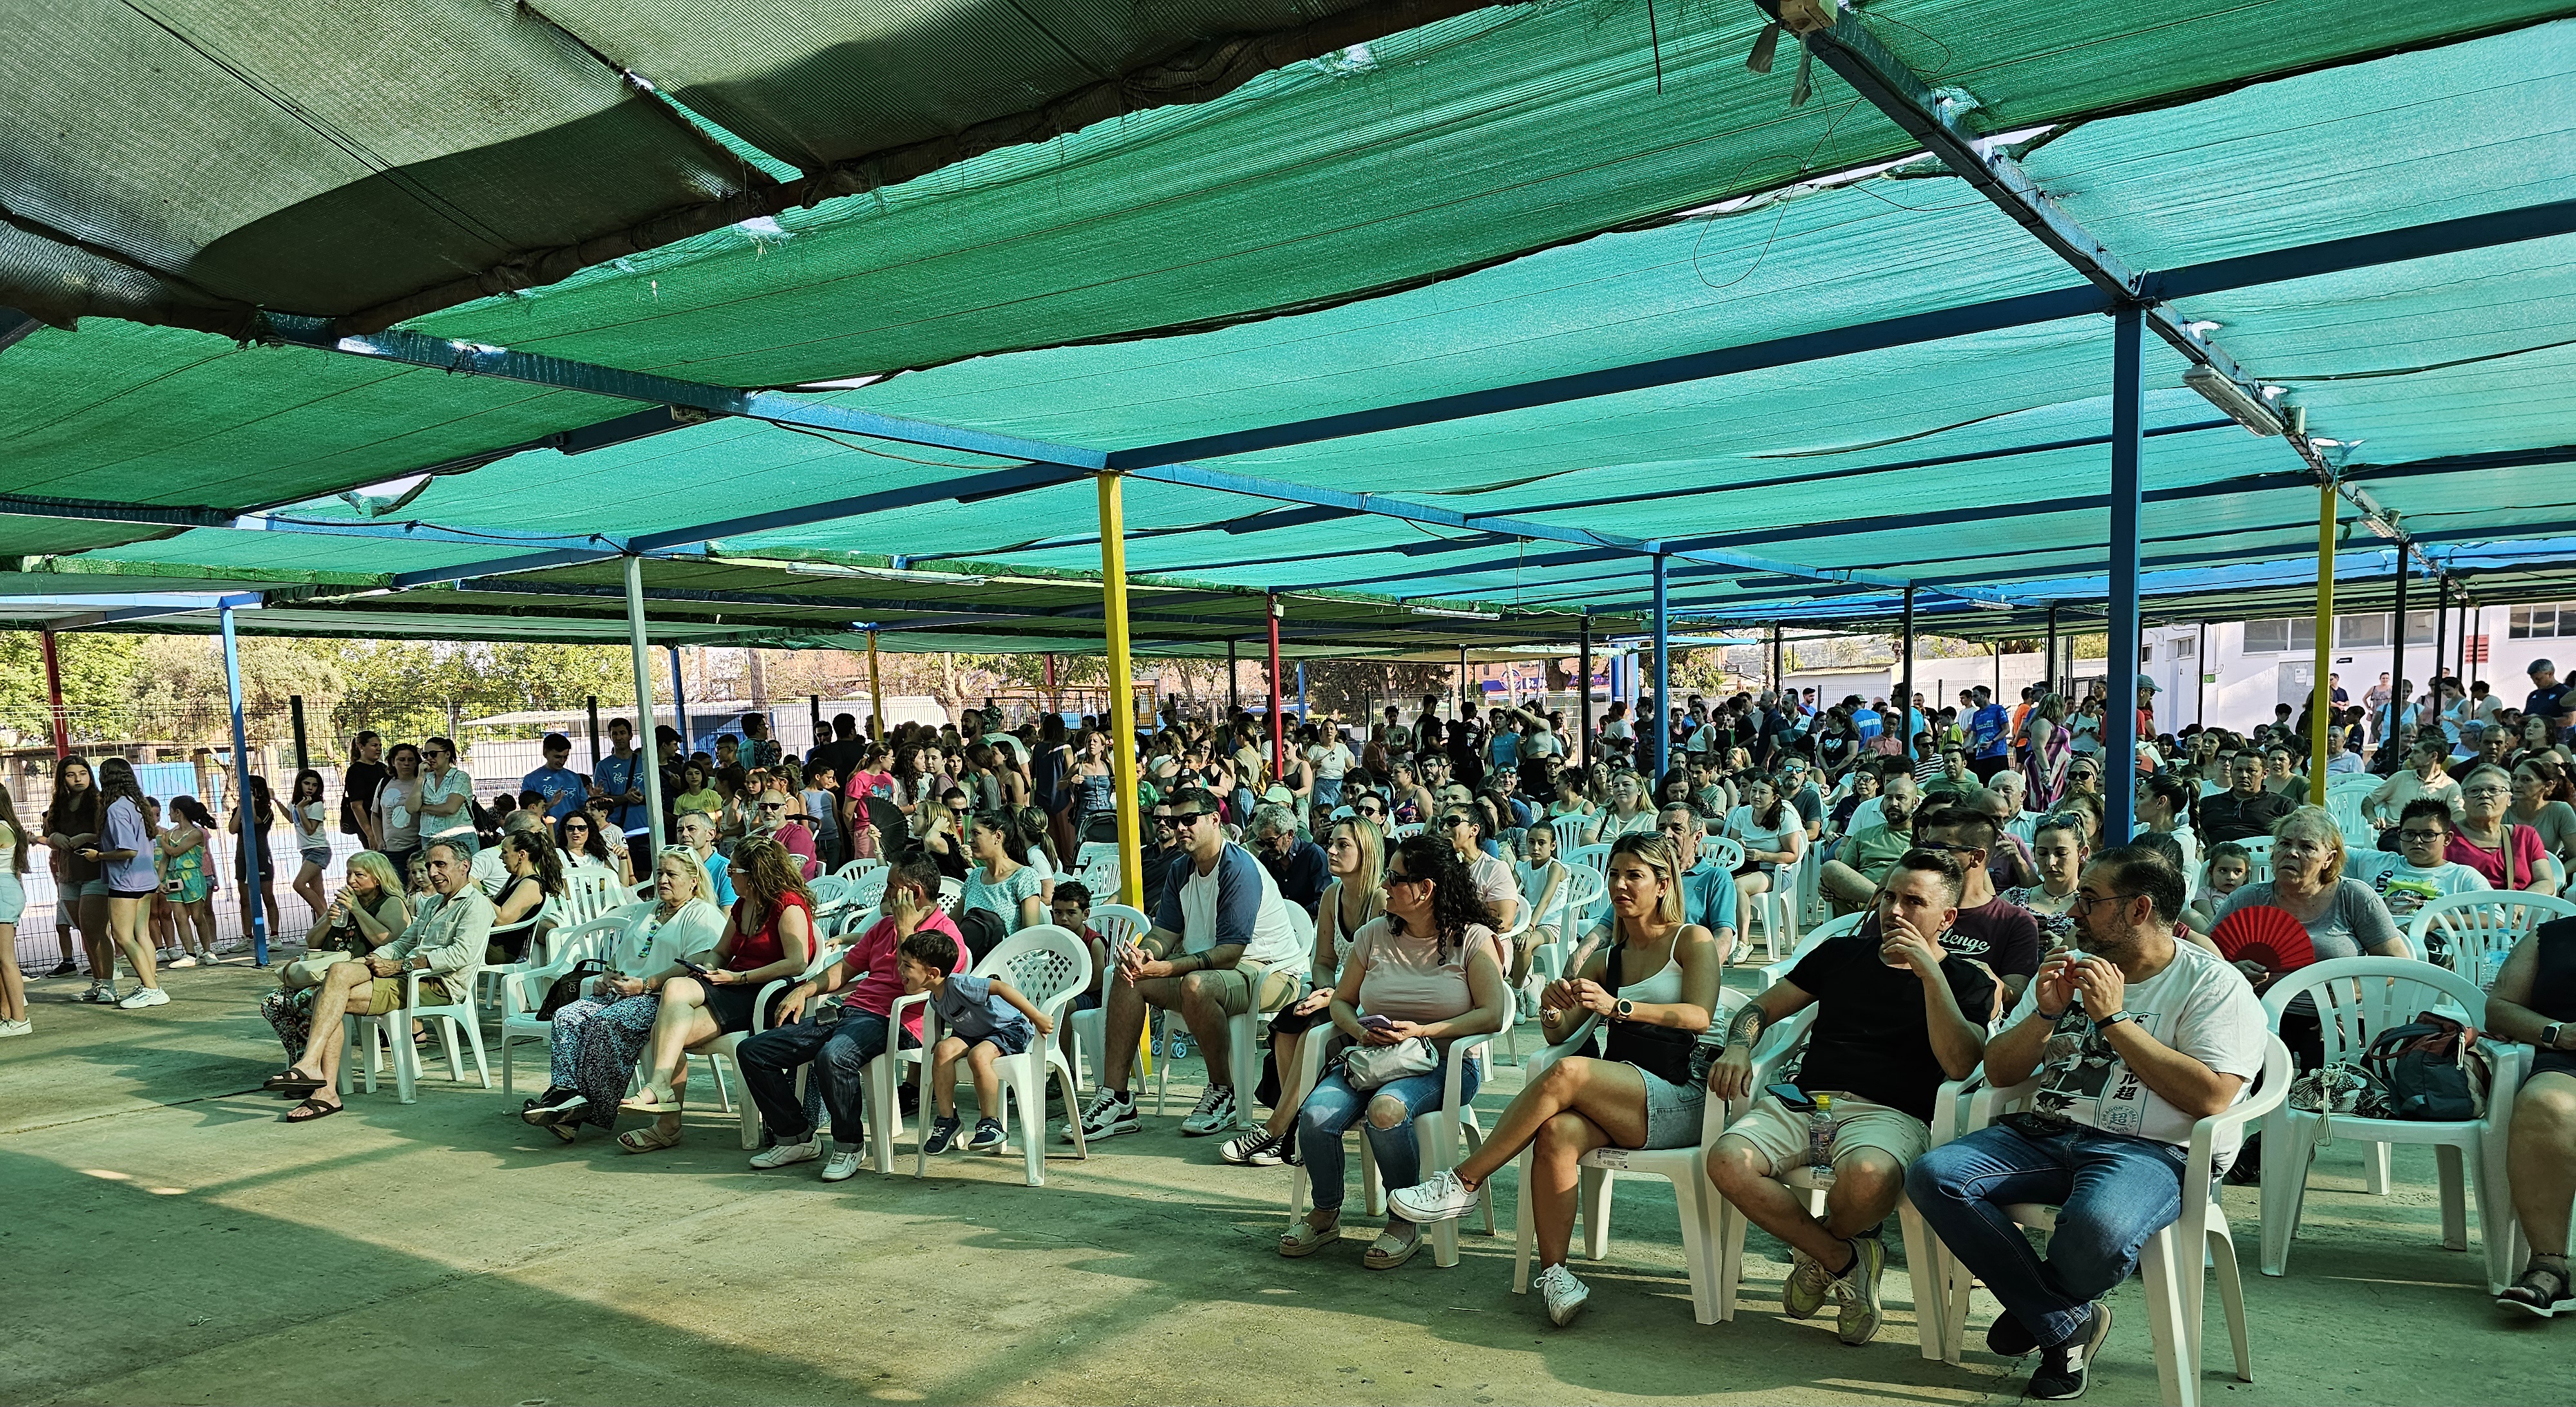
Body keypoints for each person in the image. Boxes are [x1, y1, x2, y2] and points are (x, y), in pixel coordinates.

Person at [1905, 845, 2268, 1400]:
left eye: (2091, 900)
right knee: (1934, 1175)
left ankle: (2042, 1315)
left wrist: (2114, 1020)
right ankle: (2063, 1320)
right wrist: (2047, 1012)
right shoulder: (2067, 963)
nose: (2073, 912)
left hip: (2152, 1149)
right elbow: (1999, 1072)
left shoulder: (2212, 985)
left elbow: (2213, 1097)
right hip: (2045, 1131)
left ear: (2139, 909)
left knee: (2096, 1230)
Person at [1386, 833, 1720, 1325]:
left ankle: (1463, 1180)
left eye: (1634, 875)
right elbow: (1564, 1032)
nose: (1620, 885)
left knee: (1568, 1072)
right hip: (1623, 1099)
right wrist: (1552, 1008)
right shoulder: (1611, 959)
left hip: (1678, 1098)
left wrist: (1618, 1006)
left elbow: (1699, 1014)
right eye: (1614, 875)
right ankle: (1558, 1275)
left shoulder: (1691, 939)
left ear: (1663, 883)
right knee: (1556, 1132)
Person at [1707, 849, 1996, 1344]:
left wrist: (1929, 974)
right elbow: (1760, 1008)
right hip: (1809, 1104)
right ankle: (1843, 1256)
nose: (1895, 911)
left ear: (1947, 918)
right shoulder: (1840, 954)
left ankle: (1824, 1251)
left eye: (1913, 901)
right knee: (1727, 1159)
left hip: (1890, 1114)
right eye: (1889, 896)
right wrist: (1737, 1044)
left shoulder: (1968, 980)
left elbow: (1961, 1064)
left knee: (1868, 1176)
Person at [1276, 835, 1509, 1267]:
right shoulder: (1373, 935)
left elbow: (1493, 1014)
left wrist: (1422, 1030)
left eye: (1395, 878)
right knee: (1315, 1113)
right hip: (1374, 1057)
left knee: (1387, 1110)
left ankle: (1404, 1219)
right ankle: (1326, 1212)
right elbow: (1343, 1000)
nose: (1384, 886)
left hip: (1444, 1063)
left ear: (1425, 889)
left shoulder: (1471, 939)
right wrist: (1357, 1030)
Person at [1068, 788, 1306, 1141]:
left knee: (1196, 985)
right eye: (1172, 821)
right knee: (1126, 976)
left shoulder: (1238, 868)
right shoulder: (1181, 868)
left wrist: (1170, 969)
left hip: (1272, 971)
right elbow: (1163, 933)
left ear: (1214, 820)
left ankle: (1222, 1092)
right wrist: (1145, 954)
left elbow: (1231, 952)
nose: (1179, 827)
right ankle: (1116, 1099)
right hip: (1215, 969)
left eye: (1188, 819)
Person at [738, 856, 966, 1175]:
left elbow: (915, 989)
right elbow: (846, 968)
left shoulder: (946, 936)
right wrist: (805, 990)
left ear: (913, 892)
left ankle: (848, 1147)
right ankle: (796, 1137)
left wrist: (904, 928)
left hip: (898, 1021)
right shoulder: (883, 927)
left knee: (833, 1057)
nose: (885, 892)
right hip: (850, 1012)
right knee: (754, 1050)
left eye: (891, 886)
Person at [261, 839, 494, 1122]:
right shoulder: (434, 903)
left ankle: (322, 1086)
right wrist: (369, 961)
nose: (433, 873)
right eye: (430, 865)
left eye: (440, 865)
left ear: (464, 867)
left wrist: (400, 965)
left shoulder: (476, 905)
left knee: (332, 994)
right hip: (405, 974)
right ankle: (315, 1072)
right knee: (336, 975)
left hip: (435, 983)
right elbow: (403, 942)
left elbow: (460, 955)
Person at [619, 836, 823, 1154]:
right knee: (673, 994)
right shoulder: (744, 904)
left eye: (733, 869)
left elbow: (797, 961)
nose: (728, 875)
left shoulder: (788, 904)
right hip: (730, 986)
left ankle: (666, 1124)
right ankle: (660, 1089)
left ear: (756, 873)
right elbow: (721, 951)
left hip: (762, 993)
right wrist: (707, 968)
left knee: (662, 1031)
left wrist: (740, 976)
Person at [524, 847, 732, 1138]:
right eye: (659, 873)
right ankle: (565, 1096)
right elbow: (619, 957)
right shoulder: (647, 909)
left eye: (672, 875)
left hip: (660, 999)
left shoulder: (702, 914)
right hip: (622, 991)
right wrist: (607, 975)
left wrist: (647, 985)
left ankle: (583, 1111)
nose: (662, 880)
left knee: (607, 1022)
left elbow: (696, 966)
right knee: (568, 1017)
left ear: (693, 881)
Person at [1222, 815, 1387, 1168]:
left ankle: (1276, 1128)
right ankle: (1291, 1128)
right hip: (1338, 993)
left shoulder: (1381, 901)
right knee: (1287, 1024)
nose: (1332, 850)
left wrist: (1335, 995)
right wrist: (1326, 989)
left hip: (1370, 998)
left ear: (1367, 851)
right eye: (1333, 842)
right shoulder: (1332, 895)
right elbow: (1324, 960)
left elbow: (1379, 972)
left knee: (1315, 1031)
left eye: (1344, 845)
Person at [2205, 806, 2410, 1070]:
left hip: (2335, 1016)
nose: (2291, 852)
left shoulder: (2354, 897)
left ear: (2329, 858)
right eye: (2284, 843)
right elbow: (2204, 955)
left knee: (2328, 1073)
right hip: (2258, 1014)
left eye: (2307, 847)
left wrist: (2347, 995)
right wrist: (2233, 971)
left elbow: (2397, 964)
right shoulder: (2248, 898)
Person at [2485, 917, 2576, 1314]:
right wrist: (2558, 1033)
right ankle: (2549, 1266)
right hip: (2568, 1062)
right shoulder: (2552, 937)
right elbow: (2500, 1009)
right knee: (2544, 1105)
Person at [256, 851, 412, 1061]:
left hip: (364, 974)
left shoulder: (389, 903)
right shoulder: (347, 901)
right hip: (327, 973)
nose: (351, 880)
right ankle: (301, 1059)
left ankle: (317, 1068)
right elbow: (312, 941)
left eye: (359, 875)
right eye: (349, 874)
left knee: (306, 1001)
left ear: (378, 878)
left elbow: (389, 942)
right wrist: (328, 920)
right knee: (274, 1002)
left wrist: (357, 911)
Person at [913, 930, 1056, 1157]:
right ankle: (947, 1120)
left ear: (932, 973)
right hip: (975, 1033)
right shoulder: (935, 996)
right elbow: (945, 1013)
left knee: (978, 1057)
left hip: (1009, 1028)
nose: (900, 972)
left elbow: (1000, 988)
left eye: (907, 966)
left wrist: (1036, 1016)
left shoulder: (960, 984)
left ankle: (991, 1123)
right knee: (942, 1051)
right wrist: (940, 1038)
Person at [1911, 804, 2044, 1005]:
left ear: (1977, 857)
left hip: (1968, 1021)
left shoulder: (2014, 921)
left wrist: (1985, 980)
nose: (1929, 856)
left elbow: (2017, 996)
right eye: (1926, 847)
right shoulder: (1905, 905)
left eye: (1940, 849)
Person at [84, 759, 166, 1008]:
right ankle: (151, 985)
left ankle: (152, 989)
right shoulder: (136, 804)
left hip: (126, 881)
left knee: (121, 935)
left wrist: (98, 856)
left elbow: (127, 850)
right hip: (146, 879)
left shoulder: (117, 808)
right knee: (142, 934)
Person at [2345, 799, 2491, 929]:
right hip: (2370, 944)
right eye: (2409, 834)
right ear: (2399, 836)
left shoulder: (2463, 876)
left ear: (2447, 839)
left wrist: (2437, 921)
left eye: (2428, 835)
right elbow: (2329, 848)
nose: (2417, 841)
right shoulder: (2373, 862)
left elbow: (2495, 917)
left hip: (2429, 949)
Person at [2451, 763, 2563, 894]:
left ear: (2509, 799)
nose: (2484, 795)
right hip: (2463, 912)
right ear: (2463, 800)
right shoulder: (2445, 837)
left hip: (2519, 912)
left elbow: (2545, 882)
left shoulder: (2525, 836)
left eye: (2493, 790)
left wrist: (2518, 905)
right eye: (2474, 791)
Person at [1821, 773, 1921, 912]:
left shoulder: (1921, 836)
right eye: (1888, 798)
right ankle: (1883, 902)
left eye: (1901, 798)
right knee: (1830, 868)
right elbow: (1843, 871)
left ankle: (1884, 903)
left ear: (1915, 802)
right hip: (1861, 901)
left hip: (1904, 903)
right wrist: (1827, 883)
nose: (1893, 803)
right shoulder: (1864, 835)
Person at [1725, 774, 1806, 941]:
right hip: (1745, 867)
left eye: (1763, 792)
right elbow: (1731, 847)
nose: (1756, 796)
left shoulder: (1785, 816)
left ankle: (1743, 941)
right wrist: (1738, 845)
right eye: (1754, 790)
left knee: (1738, 886)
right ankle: (1718, 936)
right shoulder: (1742, 813)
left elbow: (1793, 855)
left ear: (1774, 797)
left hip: (1775, 871)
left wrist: (1762, 855)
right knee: (1717, 881)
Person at [2002, 814, 2088, 952]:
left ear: (2082, 853)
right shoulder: (2012, 898)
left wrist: (2066, 946)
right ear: (2034, 854)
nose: (2050, 862)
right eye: (2042, 853)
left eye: (2061, 854)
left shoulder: (2091, 904)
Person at [960, 809, 1045, 941]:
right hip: (971, 957)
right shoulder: (975, 877)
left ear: (998, 837)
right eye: (970, 833)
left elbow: (1030, 936)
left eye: (976, 833)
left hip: (1008, 958)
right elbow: (952, 922)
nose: (970, 840)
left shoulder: (1024, 877)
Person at [2195, 753, 2297, 844]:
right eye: (2238, 770)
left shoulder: (2283, 805)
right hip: (2212, 859)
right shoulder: (2208, 803)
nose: (2243, 775)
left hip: (2262, 860)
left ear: (2264, 774)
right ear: (2231, 771)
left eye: (2251, 771)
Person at [1251, 803, 1330, 916]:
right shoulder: (1265, 858)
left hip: (1308, 924)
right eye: (1262, 843)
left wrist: (1294, 916)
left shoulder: (1313, 855)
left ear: (1290, 835)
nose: (1267, 848)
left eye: (1271, 843)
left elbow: (1324, 901)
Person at [2508, 759, 2576, 865]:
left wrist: (2556, 878)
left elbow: (2575, 857)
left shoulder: (2560, 810)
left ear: (2547, 785)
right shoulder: (2502, 811)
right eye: (2514, 778)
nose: (2516, 785)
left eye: (2526, 780)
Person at [0, 784, 26, 1035]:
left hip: (3, 892)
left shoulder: (1, 827)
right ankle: (7, 1015)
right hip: (6, 890)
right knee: (2, 960)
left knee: (6, 959)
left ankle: (19, 1019)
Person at [2182, 840, 2252, 933]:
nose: (2230, 877)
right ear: (2211, 872)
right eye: (2223, 870)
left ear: (2246, 875)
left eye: (2238, 871)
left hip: (2242, 936)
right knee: (2189, 915)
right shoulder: (2205, 893)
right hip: (2215, 935)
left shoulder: (2249, 895)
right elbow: (2211, 922)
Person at [2022, 694, 2072, 810]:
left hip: (2055, 768)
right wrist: (2047, 770)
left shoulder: (2051, 723)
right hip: (2044, 767)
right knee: (2041, 799)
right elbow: (2038, 747)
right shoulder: (2042, 723)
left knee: (2052, 799)